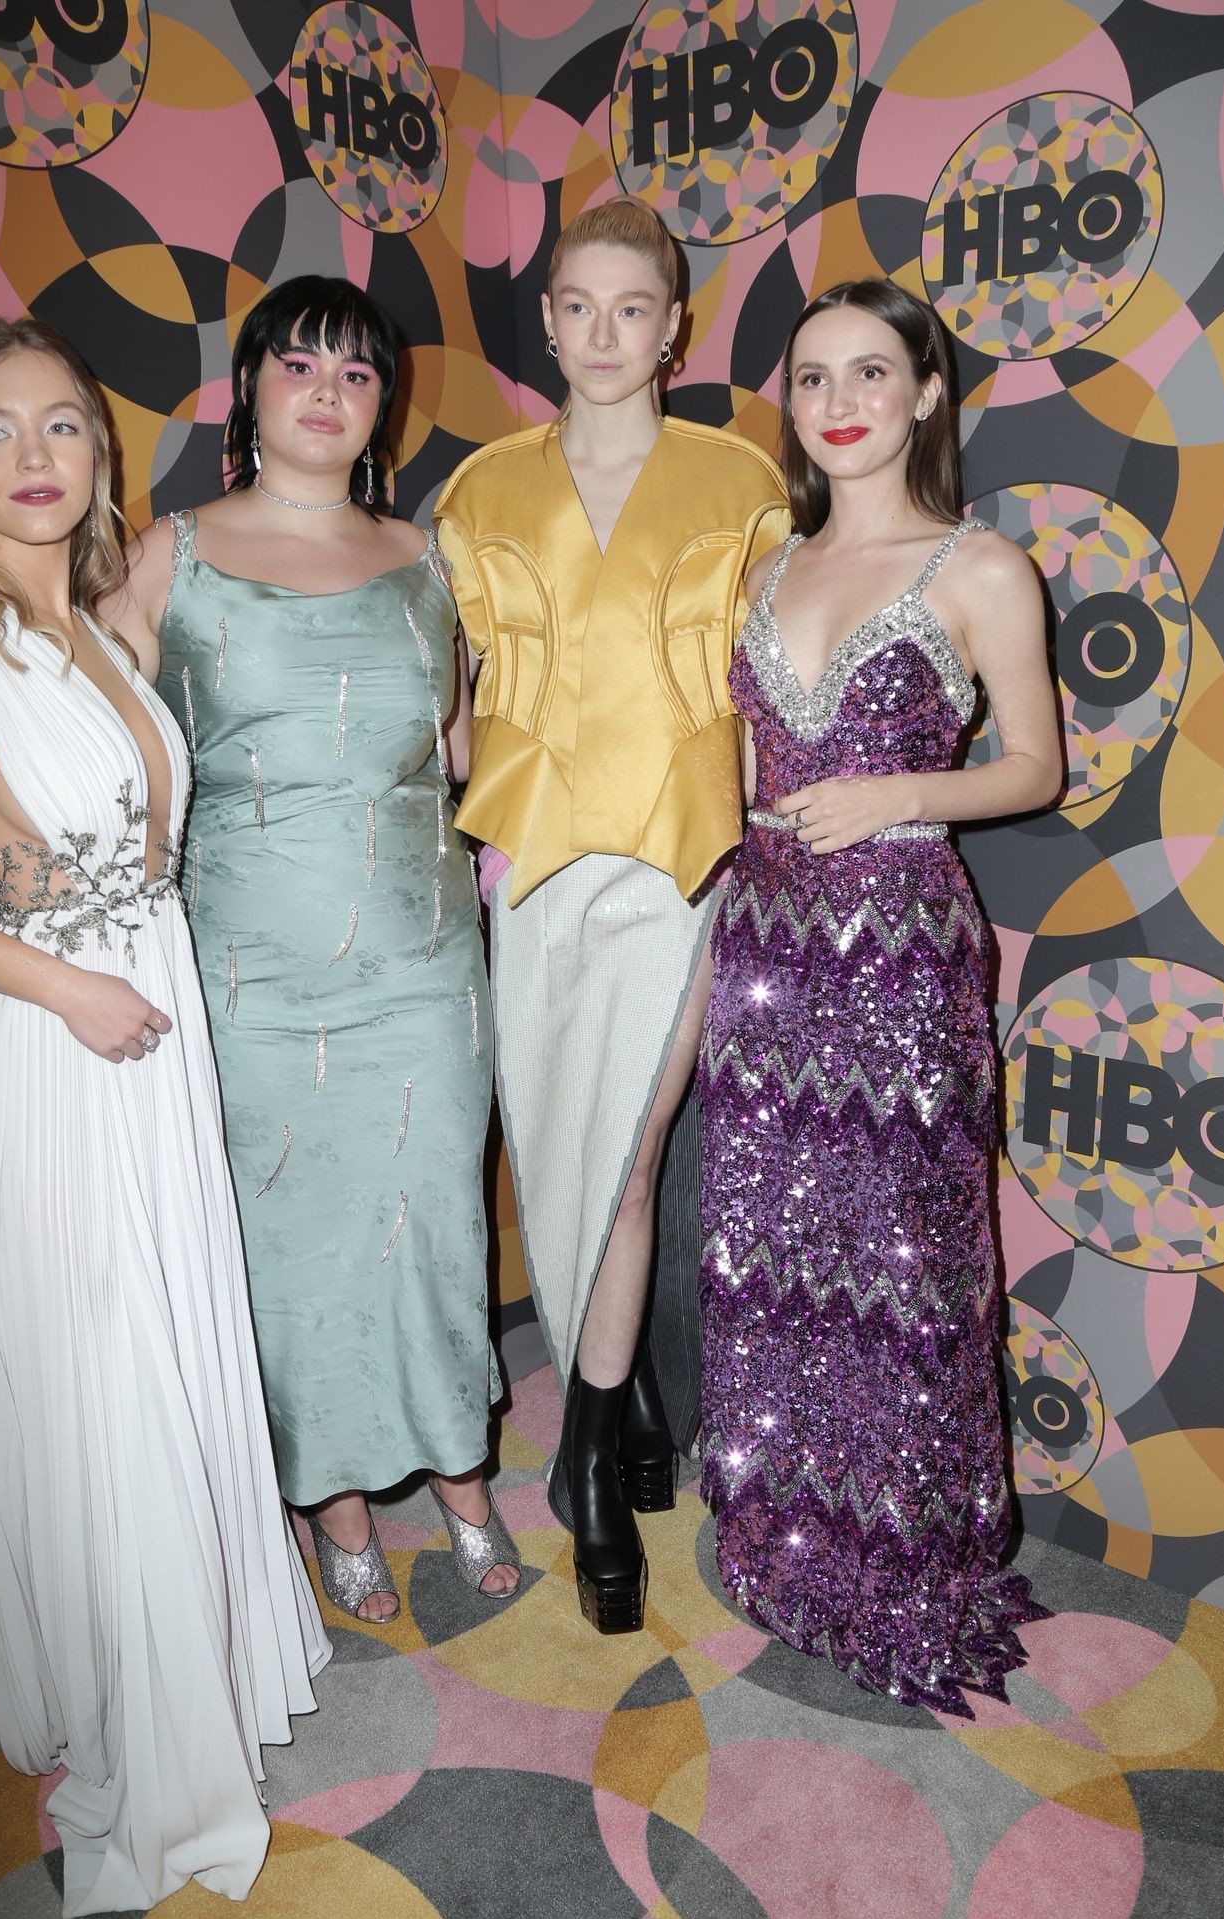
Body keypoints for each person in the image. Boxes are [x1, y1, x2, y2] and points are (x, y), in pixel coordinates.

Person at [0, 318, 330, 1916]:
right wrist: (66, 992)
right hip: (49, 1056)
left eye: (63, 425)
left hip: (146, 1041)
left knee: (160, 1355)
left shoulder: (105, 629)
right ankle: (141, 1741)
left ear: (100, 457)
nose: (35, 455)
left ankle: (172, 1677)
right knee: (97, 1387)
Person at [113, 277, 519, 1627]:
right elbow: (111, 762)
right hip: (250, 968)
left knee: (434, 1218)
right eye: (298, 364)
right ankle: (329, 1500)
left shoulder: (427, 558)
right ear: (249, 387)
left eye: (356, 372)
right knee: (286, 1237)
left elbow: (461, 755)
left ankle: (461, 1470)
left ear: (382, 404)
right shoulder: (170, 555)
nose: (327, 392)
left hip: (421, 958)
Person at [698, 278, 1060, 1714]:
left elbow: (1033, 766)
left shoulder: (981, 568)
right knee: (768, 1248)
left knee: (904, 1266)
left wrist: (899, 791)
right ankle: (785, 1534)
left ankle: (910, 1562)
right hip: (764, 946)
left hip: (902, 954)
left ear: (925, 393)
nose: (839, 401)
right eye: (811, 377)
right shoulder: (764, 566)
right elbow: (733, 763)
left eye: (870, 371)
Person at [434, 198, 789, 1634]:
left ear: (673, 325)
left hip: (677, 865)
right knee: (548, 1146)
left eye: (631, 307)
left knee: (631, 1159)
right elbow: (451, 693)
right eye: (577, 305)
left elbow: (775, 680)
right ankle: (632, 1393)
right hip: (530, 865)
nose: (603, 333)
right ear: (548, 321)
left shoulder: (741, 483)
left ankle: (583, 1457)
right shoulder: (480, 491)